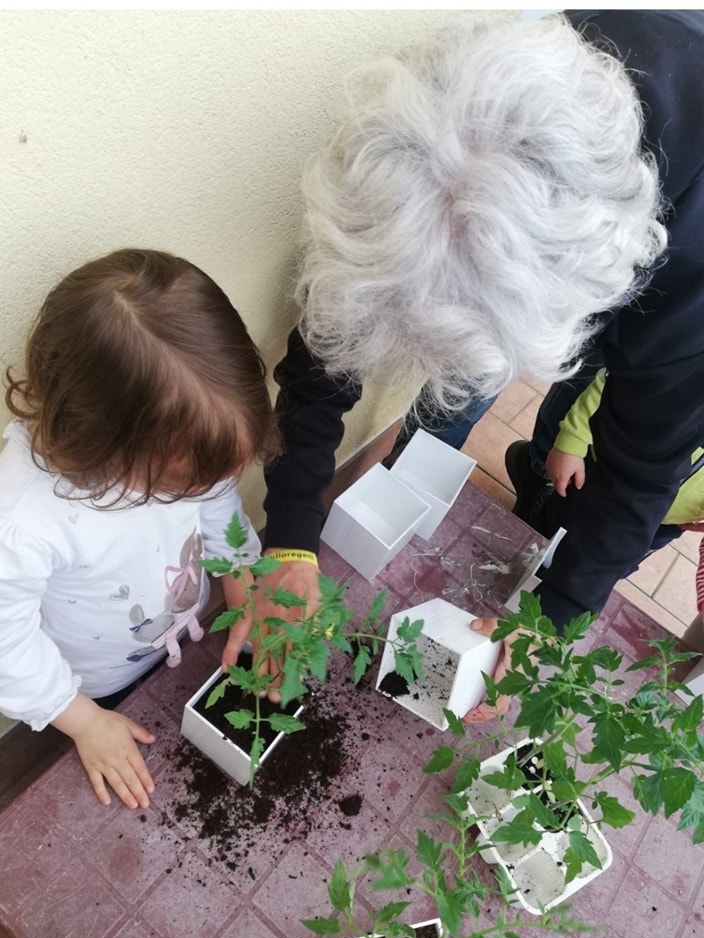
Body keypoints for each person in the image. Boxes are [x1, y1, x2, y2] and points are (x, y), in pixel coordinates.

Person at [252, 11, 704, 671]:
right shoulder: (465, 95)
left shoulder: (686, 295)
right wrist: (290, 535)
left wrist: (553, 614)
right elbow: (332, 338)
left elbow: (640, 472)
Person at [0, 249, 279, 809]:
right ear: (102, 445)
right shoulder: (24, 521)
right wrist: (84, 724)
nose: (206, 488)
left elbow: (218, 505)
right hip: (98, 684)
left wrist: (238, 586)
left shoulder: (176, 453)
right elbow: (7, 644)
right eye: (183, 484)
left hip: (185, 632)